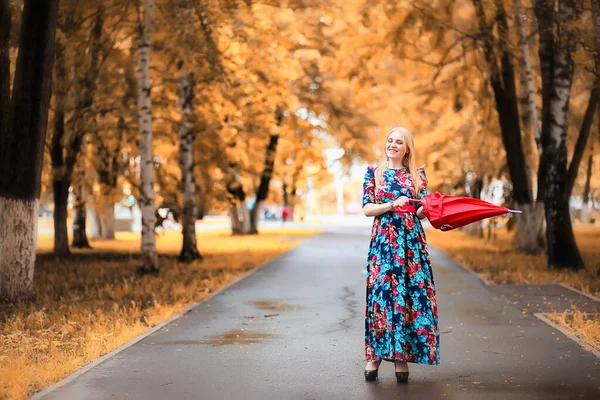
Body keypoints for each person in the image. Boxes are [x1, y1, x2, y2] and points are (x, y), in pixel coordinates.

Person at [361, 126, 440, 383]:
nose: (392, 145)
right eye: (390, 140)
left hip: (411, 245)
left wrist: (425, 210)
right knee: (381, 298)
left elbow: (420, 211)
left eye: (399, 142)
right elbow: (367, 209)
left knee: (407, 298)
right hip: (384, 243)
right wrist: (392, 205)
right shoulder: (374, 172)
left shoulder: (417, 175)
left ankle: (400, 356)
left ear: (407, 148)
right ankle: (374, 355)